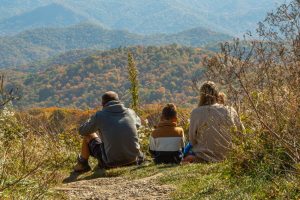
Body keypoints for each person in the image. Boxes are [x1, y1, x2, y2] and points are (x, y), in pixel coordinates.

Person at [73, 91, 144, 172]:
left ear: (103, 104)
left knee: (88, 135)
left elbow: (82, 131)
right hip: (135, 160)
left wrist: (91, 120)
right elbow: (138, 125)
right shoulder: (130, 112)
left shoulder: (100, 116)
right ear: (119, 101)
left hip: (111, 163)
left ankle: (82, 165)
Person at [184, 81, 244, 163]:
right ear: (217, 94)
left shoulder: (196, 112)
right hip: (229, 155)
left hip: (203, 157)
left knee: (187, 154)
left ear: (201, 96)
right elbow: (242, 133)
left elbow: (192, 140)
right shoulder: (230, 110)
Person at [183, 91, 228, 158]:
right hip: (226, 154)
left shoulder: (197, 112)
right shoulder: (228, 111)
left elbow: (192, 140)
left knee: (188, 149)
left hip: (203, 155)